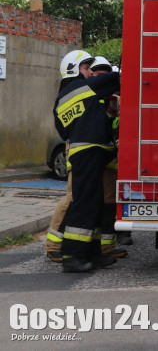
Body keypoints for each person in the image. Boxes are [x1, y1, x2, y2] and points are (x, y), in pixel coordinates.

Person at [44, 56, 127, 263]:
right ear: (74, 69)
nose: (91, 72)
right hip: (89, 152)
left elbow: (64, 132)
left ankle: (93, 252)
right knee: (84, 204)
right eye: (87, 68)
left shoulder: (62, 98)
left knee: (94, 202)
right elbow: (115, 79)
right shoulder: (86, 87)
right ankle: (73, 256)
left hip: (85, 151)